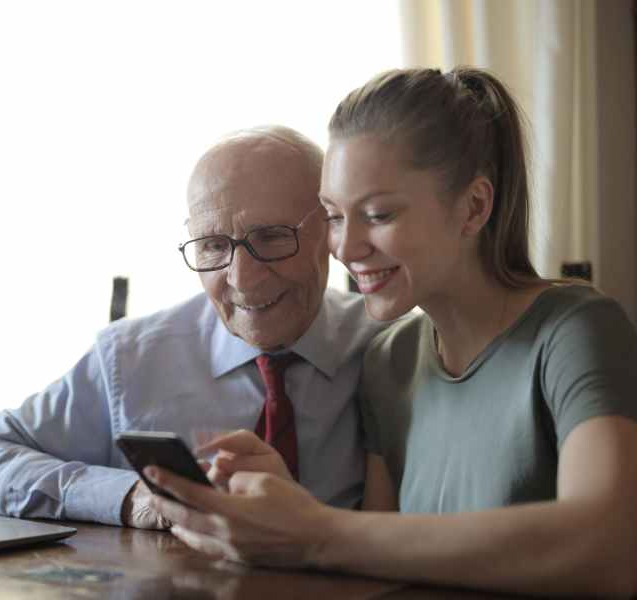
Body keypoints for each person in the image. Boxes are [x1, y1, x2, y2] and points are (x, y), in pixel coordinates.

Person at [146, 68, 637, 597]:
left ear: (474, 206)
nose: (346, 248)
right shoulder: (389, 360)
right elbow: (378, 564)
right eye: (334, 216)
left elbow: (609, 549)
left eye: (378, 214)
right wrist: (288, 510)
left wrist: (313, 529)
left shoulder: (575, 330)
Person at [0, 125, 385, 529]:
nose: (242, 279)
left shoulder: (392, 349)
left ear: (331, 230)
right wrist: (129, 496)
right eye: (213, 245)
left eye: (271, 237)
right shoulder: (131, 358)